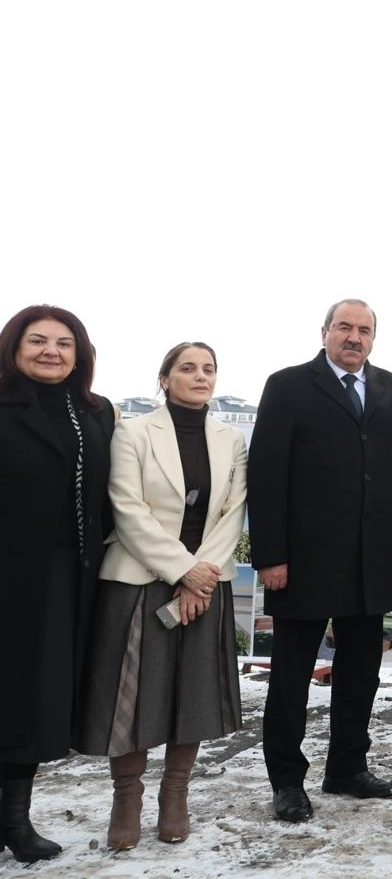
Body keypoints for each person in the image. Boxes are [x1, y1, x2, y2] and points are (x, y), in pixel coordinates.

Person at [248, 299, 392, 823]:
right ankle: (286, 781)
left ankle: (347, 767)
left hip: (370, 560)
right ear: (324, 332)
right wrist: (270, 555)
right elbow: (266, 474)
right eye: (344, 327)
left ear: (373, 338)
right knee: (291, 677)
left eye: (364, 330)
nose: (354, 337)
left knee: (360, 672)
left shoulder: (391, 388)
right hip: (303, 561)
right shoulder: (288, 385)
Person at [76, 342, 247, 848]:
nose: (200, 376)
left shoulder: (231, 438)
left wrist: (200, 576)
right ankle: (126, 797)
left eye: (208, 369)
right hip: (138, 579)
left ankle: (175, 795)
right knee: (129, 698)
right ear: (165, 378)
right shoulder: (132, 431)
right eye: (187, 368)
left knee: (192, 694)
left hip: (205, 581)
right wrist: (182, 569)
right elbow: (127, 508)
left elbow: (232, 513)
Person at [0, 305, 117, 863]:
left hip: (67, 575)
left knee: (37, 701)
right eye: (38, 340)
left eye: (64, 343)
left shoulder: (95, 412)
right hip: (7, 572)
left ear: (80, 354)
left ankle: (15, 821)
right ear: (14, 347)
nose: (51, 351)